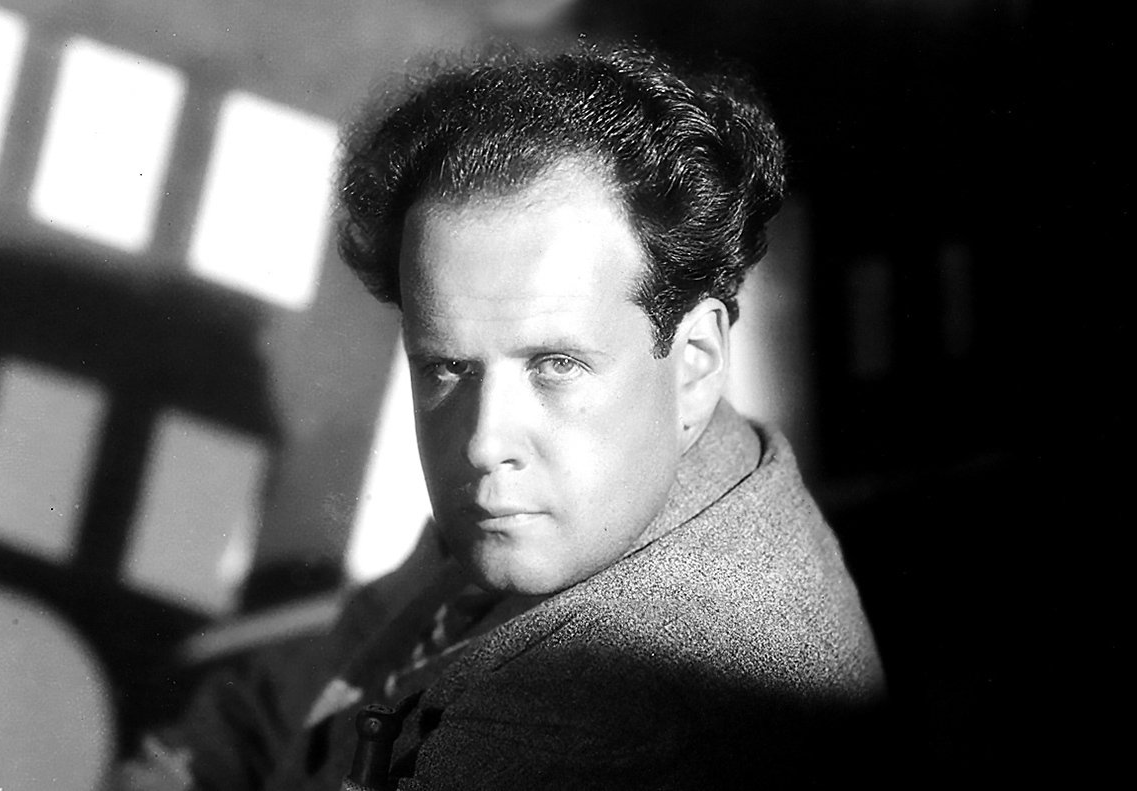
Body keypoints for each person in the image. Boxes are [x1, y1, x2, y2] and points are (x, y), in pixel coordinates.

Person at [112, 41, 885, 791]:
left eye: (555, 365)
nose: (484, 441)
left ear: (696, 362)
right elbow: (290, 699)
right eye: (446, 366)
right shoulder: (594, 489)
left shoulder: (614, 717)